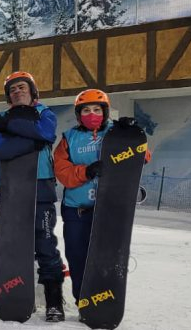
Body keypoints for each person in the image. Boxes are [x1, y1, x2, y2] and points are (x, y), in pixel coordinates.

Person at [0, 71, 66, 322]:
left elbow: (46, 134)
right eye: (12, 89)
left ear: (32, 91)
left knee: (45, 245)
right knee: (14, 246)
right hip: (10, 188)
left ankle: (54, 301)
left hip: (40, 186)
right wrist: (30, 143)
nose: (17, 91)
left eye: (22, 87)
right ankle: (16, 295)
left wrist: (12, 128)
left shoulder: (44, 113)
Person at [54, 89, 150, 305]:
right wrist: (86, 171)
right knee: (77, 257)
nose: (92, 114)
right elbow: (62, 172)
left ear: (105, 112)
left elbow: (143, 157)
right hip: (77, 211)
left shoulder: (115, 133)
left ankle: (105, 300)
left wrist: (130, 135)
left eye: (97, 110)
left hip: (108, 210)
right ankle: (83, 301)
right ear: (79, 114)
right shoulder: (69, 138)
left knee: (107, 257)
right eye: (86, 110)